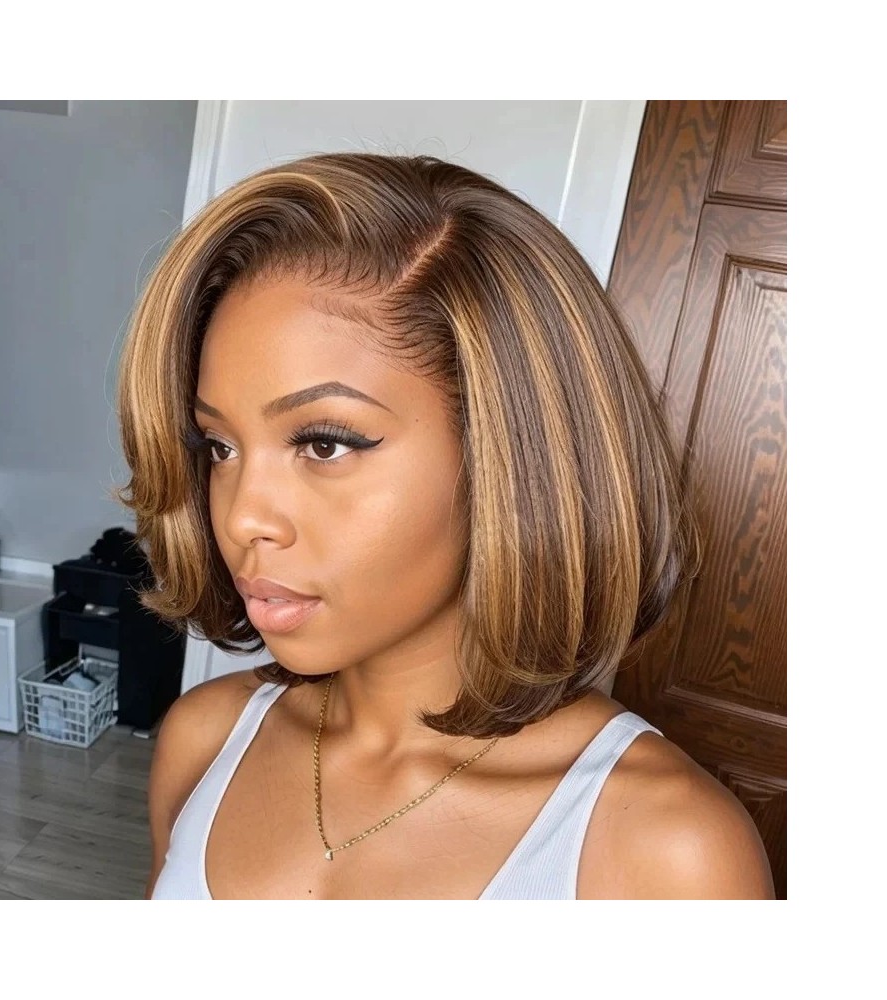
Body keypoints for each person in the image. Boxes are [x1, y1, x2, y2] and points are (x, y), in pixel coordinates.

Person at [116, 152, 775, 899]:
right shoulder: (204, 740)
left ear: (511, 453)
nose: (242, 516)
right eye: (220, 446)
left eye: (324, 443)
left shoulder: (668, 850)